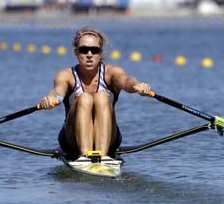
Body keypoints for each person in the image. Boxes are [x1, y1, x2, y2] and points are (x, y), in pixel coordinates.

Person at [38, 27, 151, 162]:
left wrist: (137, 86)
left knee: (102, 96)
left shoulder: (112, 72)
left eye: (95, 50)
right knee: (84, 98)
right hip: (72, 140)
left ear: (100, 53)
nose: (90, 54)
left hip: (110, 139)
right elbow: (58, 91)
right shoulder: (66, 75)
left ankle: (103, 157)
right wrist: (52, 99)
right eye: (84, 50)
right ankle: (84, 156)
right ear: (76, 53)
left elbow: (126, 81)